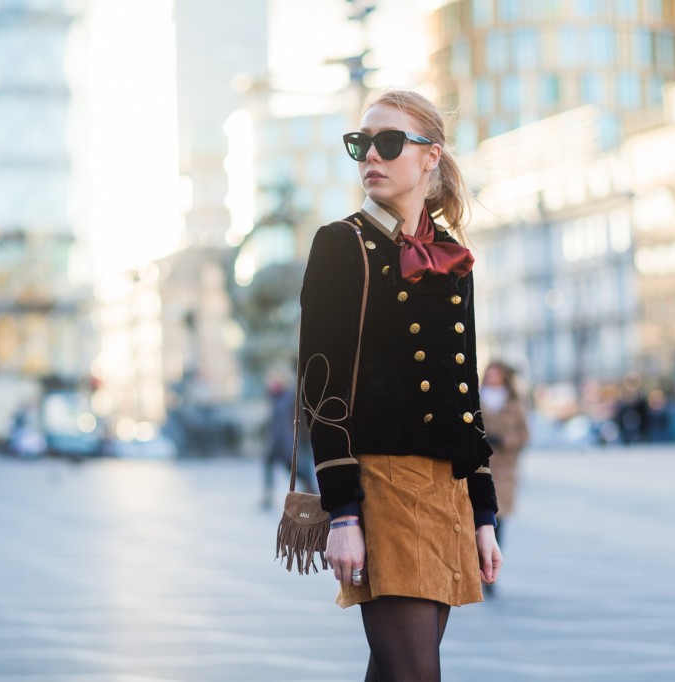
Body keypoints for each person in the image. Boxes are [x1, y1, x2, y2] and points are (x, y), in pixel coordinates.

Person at [298, 88, 501, 681]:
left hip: (445, 489)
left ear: (429, 156)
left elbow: (465, 391)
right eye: (360, 145)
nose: (371, 158)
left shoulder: (451, 256)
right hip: (381, 483)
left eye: (388, 143)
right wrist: (342, 513)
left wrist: (482, 510)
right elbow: (321, 382)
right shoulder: (342, 244)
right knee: (415, 673)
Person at [479, 360, 528, 597]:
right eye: (490, 372)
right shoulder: (476, 397)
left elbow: (524, 433)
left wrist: (506, 442)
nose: (492, 377)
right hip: (478, 466)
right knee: (475, 519)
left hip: (504, 469)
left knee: (498, 522)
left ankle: (490, 572)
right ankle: (475, 568)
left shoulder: (513, 401)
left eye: (496, 373)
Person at [262, 369, 317, 508]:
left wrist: (303, 437)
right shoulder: (275, 397)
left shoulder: (291, 395)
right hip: (276, 439)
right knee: (268, 464)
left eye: (275, 380)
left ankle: (311, 491)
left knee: (297, 468)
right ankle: (268, 495)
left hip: (289, 440)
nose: (272, 383)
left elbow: (301, 418)